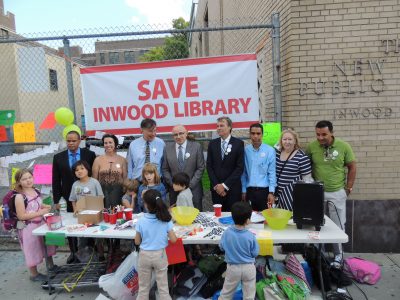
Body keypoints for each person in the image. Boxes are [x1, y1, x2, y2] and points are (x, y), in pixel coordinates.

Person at [306, 120, 356, 268]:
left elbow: (352, 167)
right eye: (317, 134)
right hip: (317, 193)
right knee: (315, 224)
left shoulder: (343, 146)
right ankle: (316, 254)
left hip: (337, 192)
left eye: (324, 135)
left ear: (332, 133)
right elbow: (306, 166)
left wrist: (348, 188)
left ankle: (338, 256)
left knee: (338, 226)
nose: (320, 138)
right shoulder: (311, 147)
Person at [52, 130, 96, 264]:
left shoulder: (89, 155)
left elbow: (93, 176)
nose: (71, 143)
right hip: (68, 197)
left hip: (86, 197)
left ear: (79, 141)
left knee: (88, 223)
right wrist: (57, 200)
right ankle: (73, 251)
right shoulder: (58, 157)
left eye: (74, 141)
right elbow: (55, 180)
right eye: (68, 141)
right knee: (69, 225)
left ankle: (89, 250)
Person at [14, 169, 58, 282]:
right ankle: (34, 274)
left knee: (47, 245)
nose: (28, 180)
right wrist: (40, 212)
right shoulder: (19, 197)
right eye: (24, 179)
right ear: (19, 182)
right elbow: (21, 216)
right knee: (32, 249)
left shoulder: (35, 190)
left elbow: (37, 203)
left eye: (29, 177)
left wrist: (45, 206)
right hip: (29, 227)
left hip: (41, 224)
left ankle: (51, 266)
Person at [135, 189, 177, 300]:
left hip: (144, 255)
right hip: (160, 255)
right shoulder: (166, 219)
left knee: (143, 288)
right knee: (163, 288)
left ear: (146, 205)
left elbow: (137, 242)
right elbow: (173, 240)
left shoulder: (141, 221)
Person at [219, 201, 259, 300]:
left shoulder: (227, 233)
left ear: (232, 217)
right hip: (249, 268)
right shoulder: (251, 236)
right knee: (249, 294)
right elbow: (255, 253)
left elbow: (221, 247)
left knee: (226, 293)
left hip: (233, 268)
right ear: (248, 220)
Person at [162, 124, 205, 210]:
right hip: (175, 191)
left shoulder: (196, 147)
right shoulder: (167, 148)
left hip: (194, 189)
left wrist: (189, 185)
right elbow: (165, 169)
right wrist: (174, 184)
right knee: (177, 216)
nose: (178, 136)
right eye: (175, 134)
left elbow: (200, 168)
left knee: (196, 215)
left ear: (186, 133)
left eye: (181, 133)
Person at [207, 116, 244, 211]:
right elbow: (209, 166)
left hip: (232, 189)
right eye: (217, 126)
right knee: (218, 217)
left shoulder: (238, 143)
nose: (218, 128)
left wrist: (224, 186)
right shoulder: (212, 144)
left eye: (222, 125)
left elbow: (239, 168)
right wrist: (217, 186)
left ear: (230, 127)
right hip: (216, 190)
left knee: (233, 217)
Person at [241, 123, 276, 211]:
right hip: (250, 191)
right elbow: (243, 172)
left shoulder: (270, 151)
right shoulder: (246, 150)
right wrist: (243, 190)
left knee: (265, 219)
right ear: (250, 134)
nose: (255, 136)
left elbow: (272, 172)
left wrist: (271, 192)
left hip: (264, 191)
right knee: (251, 218)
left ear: (262, 134)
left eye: (258, 133)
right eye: (253, 133)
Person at [275, 128, 312, 211]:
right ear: (281, 141)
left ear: (295, 141)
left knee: (291, 219)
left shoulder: (302, 157)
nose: (287, 142)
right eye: (284, 139)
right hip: (278, 194)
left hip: (292, 195)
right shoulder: (277, 154)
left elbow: (307, 180)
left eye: (290, 139)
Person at [92, 134, 127, 209]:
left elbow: (125, 178)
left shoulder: (122, 160)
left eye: (110, 142)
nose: (108, 145)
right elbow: (94, 180)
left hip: (118, 193)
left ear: (115, 144)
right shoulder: (98, 160)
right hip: (102, 193)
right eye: (106, 143)